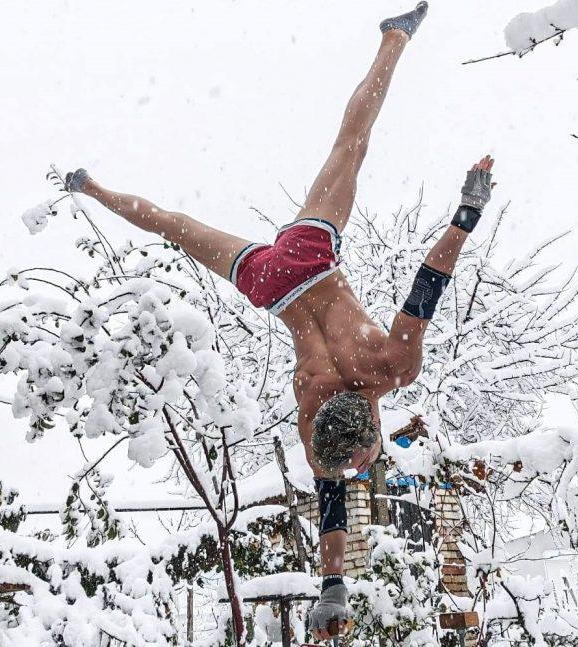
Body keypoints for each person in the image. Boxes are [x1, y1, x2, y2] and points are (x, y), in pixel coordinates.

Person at [64, 2, 496, 639]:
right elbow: (329, 505)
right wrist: (330, 589)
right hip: (270, 286)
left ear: (370, 418)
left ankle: (394, 40)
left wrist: (467, 212)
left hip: (309, 259)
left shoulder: (390, 370)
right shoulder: (311, 414)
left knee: (353, 143)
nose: (359, 467)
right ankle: (94, 191)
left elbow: (429, 282)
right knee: (178, 229)